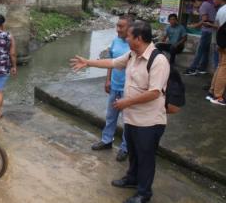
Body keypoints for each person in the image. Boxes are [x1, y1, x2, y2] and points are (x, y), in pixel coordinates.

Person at [71, 20, 170, 203]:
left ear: (138, 39)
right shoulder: (133, 54)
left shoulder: (159, 60)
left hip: (149, 121)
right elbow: (113, 62)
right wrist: (88, 62)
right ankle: (132, 179)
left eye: (129, 36)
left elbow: (155, 92)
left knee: (145, 158)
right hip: (132, 118)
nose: (126, 37)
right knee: (133, 152)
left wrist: (127, 102)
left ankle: (144, 193)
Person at [91, 15, 131, 162]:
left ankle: (125, 148)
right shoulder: (115, 41)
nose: (118, 29)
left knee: (128, 119)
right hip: (115, 85)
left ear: (130, 28)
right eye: (117, 26)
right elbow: (111, 63)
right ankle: (107, 140)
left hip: (128, 89)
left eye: (121, 26)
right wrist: (107, 80)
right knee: (111, 116)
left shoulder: (133, 45)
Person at [184, 0, 216, 75]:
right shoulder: (208, 4)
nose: (194, 6)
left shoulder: (203, 6)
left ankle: (192, 68)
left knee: (200, 50)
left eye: (193, 4)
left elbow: (204, 20)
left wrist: (195, 25)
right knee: (205, 51)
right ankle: (202, 68)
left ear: (196, 1)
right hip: (211, 31)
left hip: (207, 31)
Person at [205, 0, 226, 105]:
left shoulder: (221, 10)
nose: (214, 1)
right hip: (224, 42)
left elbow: (218, 26)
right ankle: (218, 96)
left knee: (220, 66)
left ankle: (212, 91)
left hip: (220, 42)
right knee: (224, 69)